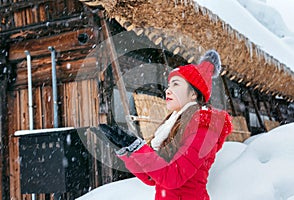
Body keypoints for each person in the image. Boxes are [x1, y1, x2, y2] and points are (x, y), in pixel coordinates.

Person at [94, 50, 233, 200]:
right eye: (169, 86)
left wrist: (137, 147)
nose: (168, 90)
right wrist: (126, 151)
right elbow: (152, 178)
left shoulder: (204, 129)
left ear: (194, 94)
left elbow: (173, 177)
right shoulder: (172, 125)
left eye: (176, 85)